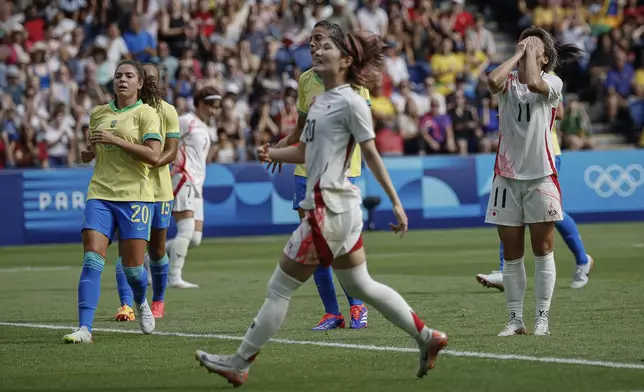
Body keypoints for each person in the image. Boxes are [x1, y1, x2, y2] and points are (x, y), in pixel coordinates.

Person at [194, 30, 448, 387]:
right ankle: (427, 336)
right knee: (361, 285)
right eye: (316, 45)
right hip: (337, 210)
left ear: (346, 61)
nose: (317, 50)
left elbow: (371, 153)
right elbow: (306, 152)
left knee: (279, 288)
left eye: (327, 46)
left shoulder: (352, 102)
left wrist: (396, 202)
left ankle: (239, 362)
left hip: (327, 209)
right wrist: (274, 154)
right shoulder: (320, 100)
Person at [269, 20, 369, 331]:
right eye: (312, 40)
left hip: (340, 173)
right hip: (305, 170)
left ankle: (357, 306)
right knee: (314, 245)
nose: (313, 46)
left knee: (338, 245)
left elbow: (361, 131)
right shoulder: (305, 80)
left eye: (321, 40)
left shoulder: (355, 85)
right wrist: (281, 146)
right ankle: (332, 312)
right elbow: (300, 127)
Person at [484, 27, 583, 337]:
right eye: (523, 43)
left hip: (541, 175)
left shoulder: (553, 82)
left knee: (543, 250)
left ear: (544, 58)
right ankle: (515, 320)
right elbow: (491, 81)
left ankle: (542, 317)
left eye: (533, 47)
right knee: (511, 255)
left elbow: (533, 81)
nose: (526, 48)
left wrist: (528, 57)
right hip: (505, 178)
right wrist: (516, 54)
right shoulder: (507, 83)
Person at [63, 60, 164, 343]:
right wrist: (87, 154)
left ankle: (141, 301)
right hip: (100, 194)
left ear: (140, 83)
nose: (122, 80)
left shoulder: (147, 114)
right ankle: (85, 328)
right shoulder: (98, 113)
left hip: (135, 198)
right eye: (118, 75)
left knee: (133, 270)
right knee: (92, 259)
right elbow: (92, 148)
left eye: (129, 76)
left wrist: (117, 140)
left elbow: (154, 156)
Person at [476, 98, 594, 292]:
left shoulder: (547, 75)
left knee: (550, 212)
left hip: (547, 152)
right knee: (514, 208)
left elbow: (560, 113)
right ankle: (505, 271)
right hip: (520, 151)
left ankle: (582, 259)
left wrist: (522, 113)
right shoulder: (515, 77)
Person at [114, 63, 180, 321]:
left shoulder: (168, 111)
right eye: (146, 78)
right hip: (130, 189)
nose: (149, 82)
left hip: (160, 189)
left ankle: (159, 301)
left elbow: (171, 151)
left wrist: (151, 161)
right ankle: (126, 304)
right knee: (127, 249)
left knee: (157, 250)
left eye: (153, 79)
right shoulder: (127, 111)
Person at [165, 86, 221, 288]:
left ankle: (150, 259)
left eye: (216, 107)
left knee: (195, 238)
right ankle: (174, 277)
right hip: (183, 178)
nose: (214, 111)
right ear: (200, 103)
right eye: (211, 106)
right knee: (186, 230)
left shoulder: (205, 127)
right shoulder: (185, 121)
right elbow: (166, 142)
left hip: (197, 183)